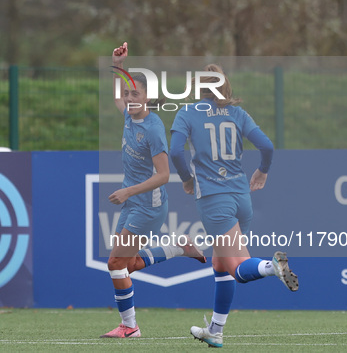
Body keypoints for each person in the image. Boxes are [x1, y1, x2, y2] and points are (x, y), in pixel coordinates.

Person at [169, 64, 298, 348]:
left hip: (215, 200)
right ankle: (215, 330)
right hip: (242, 198)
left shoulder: (188, 113)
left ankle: (271, 266)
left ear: (198, 88)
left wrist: (187, 179)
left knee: (237, 268)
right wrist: (262, 171)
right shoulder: (237, 113)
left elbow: (176, 151)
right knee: (219, 264)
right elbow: (266, 146)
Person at [101, 42, 206, 339]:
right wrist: (117, 65)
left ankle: (131, 327)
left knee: (115, 263)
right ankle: (179, 247)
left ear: (149, 98)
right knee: (129, 264)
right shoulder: (129, 116)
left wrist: (127, 192)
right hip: (134, 204)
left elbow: (164, 175)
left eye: (136, 94)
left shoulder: (153, 129)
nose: (129, 99)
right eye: (128, 94)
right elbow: (116, 96)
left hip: (147, 207)